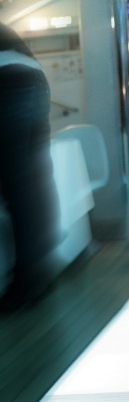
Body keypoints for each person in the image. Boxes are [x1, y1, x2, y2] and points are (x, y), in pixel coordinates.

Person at [0, 23, 60, 311]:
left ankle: (27, 284)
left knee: (20, 186)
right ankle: (40, 274)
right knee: (36, 180)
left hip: (8, 80)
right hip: (32, 76)